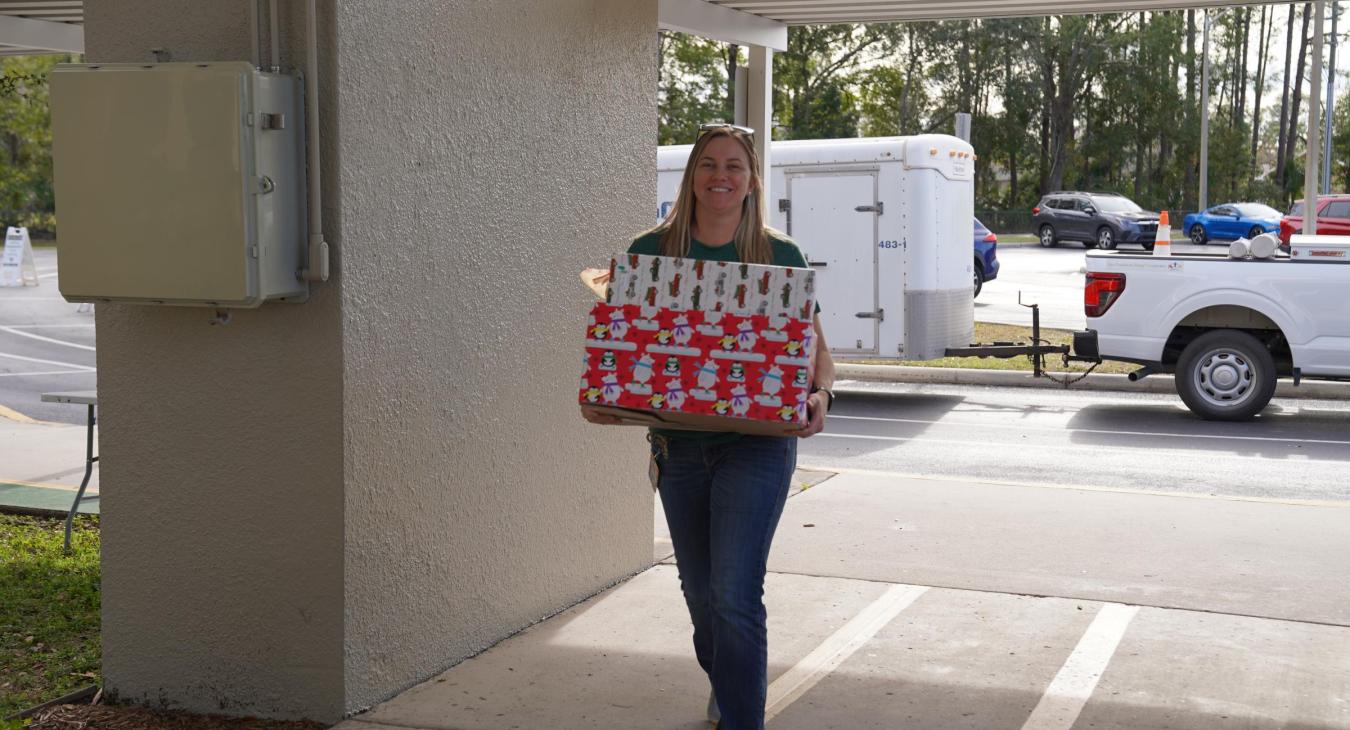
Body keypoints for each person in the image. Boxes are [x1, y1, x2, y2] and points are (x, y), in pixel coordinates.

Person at [583, 124, 835, 730]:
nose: (721, 176)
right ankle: (729, 681)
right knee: (702, 600)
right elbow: (621, 347)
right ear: (691, 176)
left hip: (758, 448)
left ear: (751, 182)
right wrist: (602, 390)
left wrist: (822, 393)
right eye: (709, 165)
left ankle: (741, 716)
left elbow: (818, 354)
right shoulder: (650, 251)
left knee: (734, 594)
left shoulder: (780, 256)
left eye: (734, 167)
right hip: (680, 448)